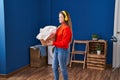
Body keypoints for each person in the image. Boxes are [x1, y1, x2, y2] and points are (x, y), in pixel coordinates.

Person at [47, 10, 72, 80]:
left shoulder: (66, 29)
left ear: (66, 18)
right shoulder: (59, 27)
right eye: (59, 17)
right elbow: (56, 37)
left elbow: (64, 43)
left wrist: (53, 43)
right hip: (57, 49)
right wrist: (51, 34)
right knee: (54, 67)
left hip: (63, 50)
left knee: (63, 68)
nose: (59, 19)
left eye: (61, 17)